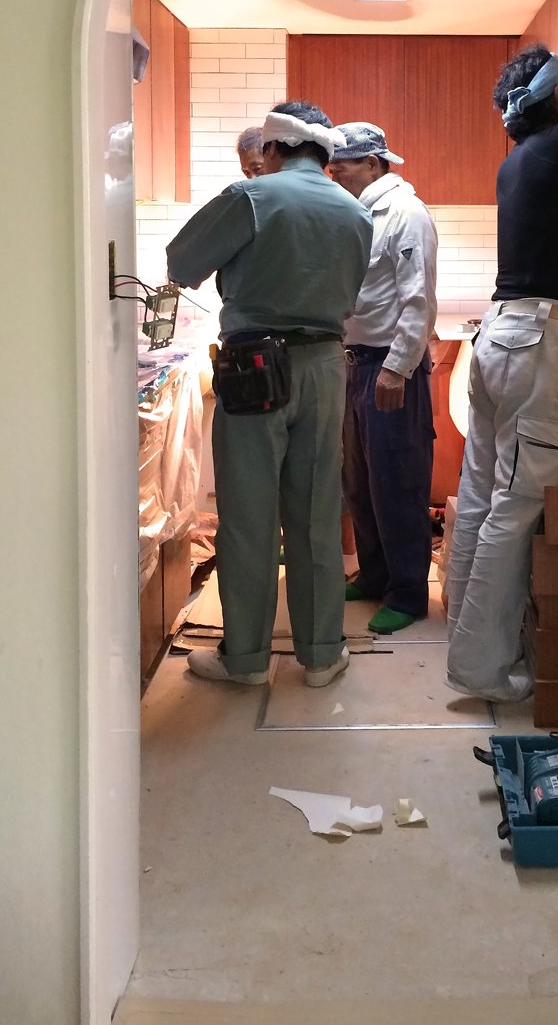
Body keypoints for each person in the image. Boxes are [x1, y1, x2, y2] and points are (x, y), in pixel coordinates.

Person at [445, 45, 558, 702]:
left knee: (481, 497)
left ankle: (465, 646)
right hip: (537, 340)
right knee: (516, 507)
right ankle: (482, 670)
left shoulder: (519, 161)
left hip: (499, 336)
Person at [166, 101, 373, 688]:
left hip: (255, 367)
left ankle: (247, 660)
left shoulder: (250, 197)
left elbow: (180, 263)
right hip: (326, 365)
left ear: (273, 150)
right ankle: (322, 655)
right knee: (316, 515)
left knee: (248, 516)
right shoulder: (355, 211)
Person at [328, 123, 438, 635]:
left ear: (373, 163)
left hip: (389, 366)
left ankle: (408, 593)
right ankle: (375, 575)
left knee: (397, 481)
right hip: (354, 364)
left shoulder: (406, 214)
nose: (334, 175)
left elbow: (418, 300)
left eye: (342, 167)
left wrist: (397, 367)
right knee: (360, 482)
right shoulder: (356, 213)